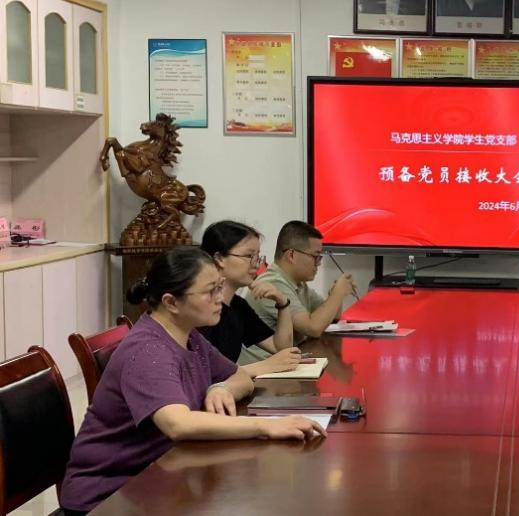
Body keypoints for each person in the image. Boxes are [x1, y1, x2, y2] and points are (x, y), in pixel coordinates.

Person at [59, 247, 324, 514]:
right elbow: (178, 424)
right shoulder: (148, 350)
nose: (220, 298)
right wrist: (268, 426)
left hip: (159, 476)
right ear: (171, 302)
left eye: (220, 287)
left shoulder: (189, 336)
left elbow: (240, 376)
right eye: (211, 291)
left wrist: (220, 388)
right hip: (109, 494)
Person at [241, 221, 356, 364]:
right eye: (315, 257)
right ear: (291, 255)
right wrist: (337, 293)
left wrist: (335, 294)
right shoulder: (273, 283)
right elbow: (313, 328)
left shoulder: (299, 284)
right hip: (262, 372)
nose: (318, 263)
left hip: (285, 364)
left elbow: (333, 318)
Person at [199, 220, 303, 378]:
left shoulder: (238, 306)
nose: (256, 265)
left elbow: (281, 348)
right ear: (219, 258)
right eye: (249, 256)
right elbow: (203, 373)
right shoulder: (199, 307)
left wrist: (282, 302)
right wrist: (264, 366)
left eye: (257, 256)